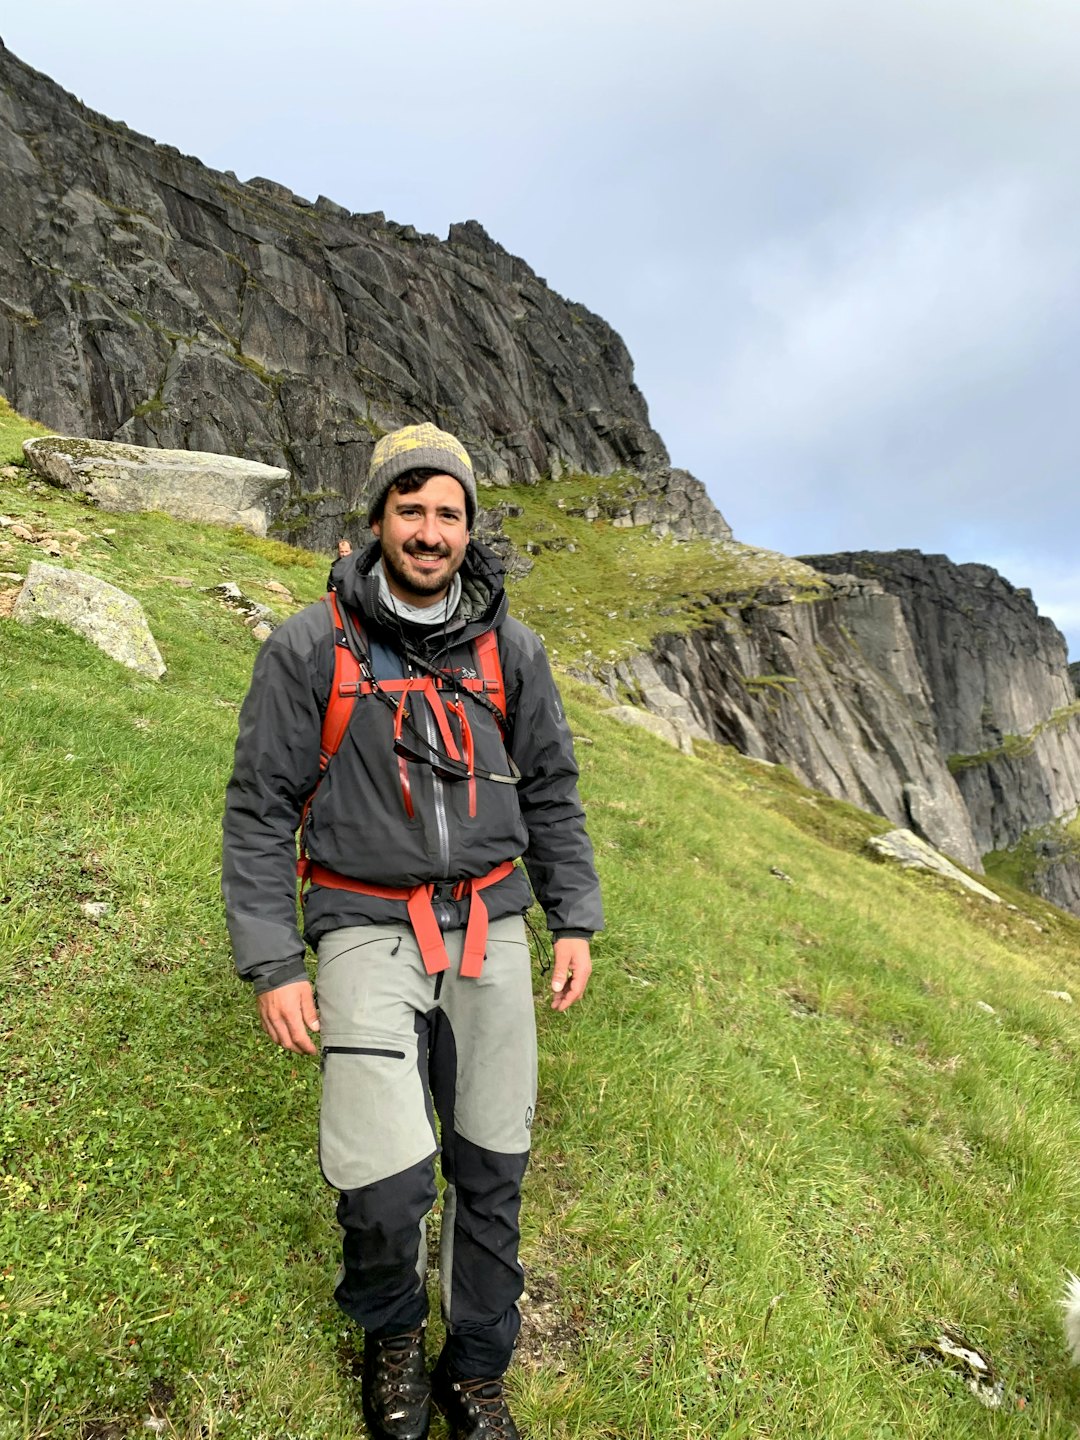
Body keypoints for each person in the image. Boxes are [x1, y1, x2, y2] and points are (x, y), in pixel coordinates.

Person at [222, 422, 602, 1440]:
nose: (430, 531)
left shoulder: (511, 650)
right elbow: (260, 808)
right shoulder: (312, 647)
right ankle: (391, 1336)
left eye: (448, 512)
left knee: (493, 1159)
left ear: (469, 527)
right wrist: (273, 961)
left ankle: (475, 1371)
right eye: (411, 509)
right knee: (384, 1180)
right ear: (379, 517)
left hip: (491, 923)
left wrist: (575, 919)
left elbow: (555, 791)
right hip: (361, 922)